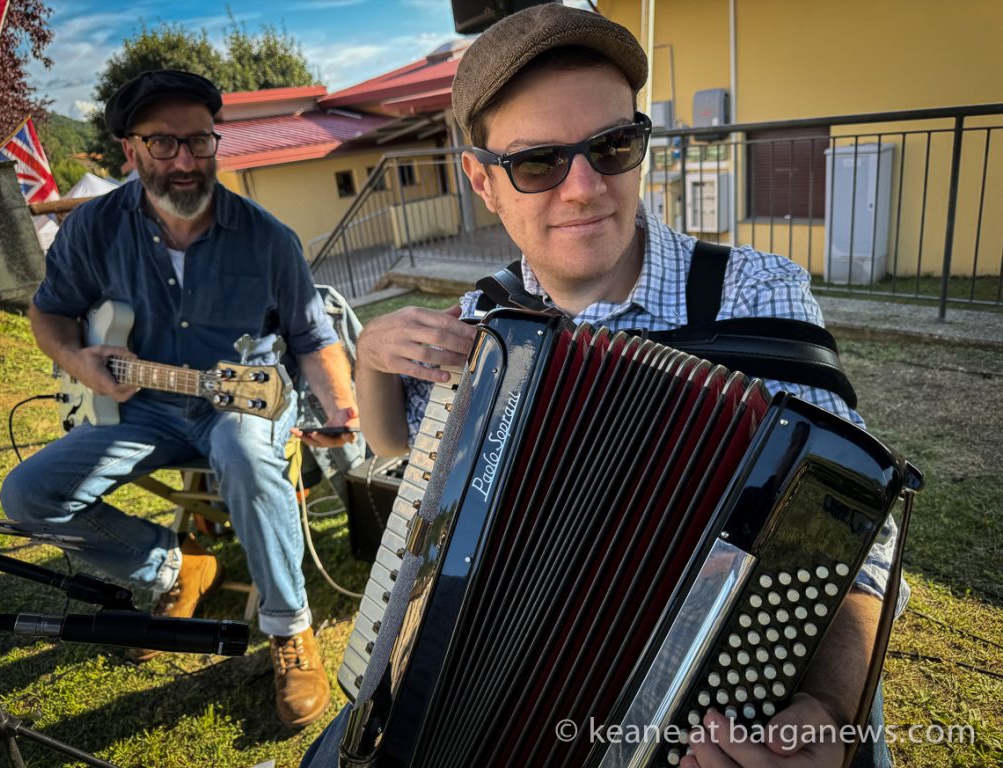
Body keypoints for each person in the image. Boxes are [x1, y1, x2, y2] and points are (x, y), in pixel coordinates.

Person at [307, 5, 903, 766]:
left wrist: (828, 708)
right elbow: (401, 454)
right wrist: (369, 365)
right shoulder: (475, 329)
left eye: (613, 146)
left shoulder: (756, 294)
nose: (585, 188)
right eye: (537, 162)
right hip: (501, 701)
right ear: (481, 180)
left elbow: (858, 540)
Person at [0, 70, 358, 729]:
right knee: (25, 496)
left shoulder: (268, 238)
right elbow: (49, 313)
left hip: (241, 400)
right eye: (164, 144)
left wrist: (340, 407)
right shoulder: (92, 230)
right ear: (128, 150)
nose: (186, 161)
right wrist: (81, 360)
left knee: (246, 452)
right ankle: (174, 568)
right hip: (142, 409)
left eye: (199, 141)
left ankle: (289, 630)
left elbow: (312, 334)